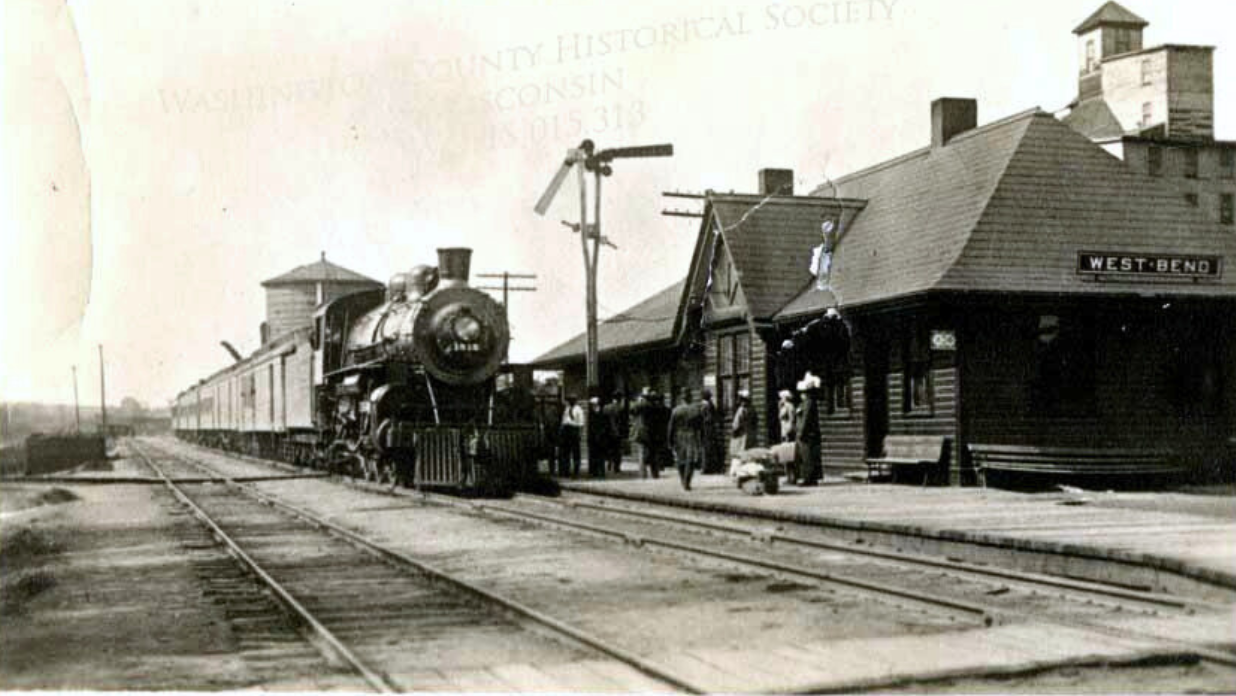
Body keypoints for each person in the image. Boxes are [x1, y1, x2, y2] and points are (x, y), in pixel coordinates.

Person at [668, 389, 702, 491]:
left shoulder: (676, 410)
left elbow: (671, 427)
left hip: (679, 436)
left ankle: (683, 479)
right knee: (690, 460)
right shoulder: (695, 410)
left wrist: (669, 440)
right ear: (690, 397)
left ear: (681, 398)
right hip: (692, 436)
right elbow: (700, 426)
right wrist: (701, 439)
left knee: (680, 460)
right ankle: (687, 481)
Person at [635, 389, 670, 479]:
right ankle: (655, 474)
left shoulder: (643, 406)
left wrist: (641, 398)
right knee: (653, 455)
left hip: (643, 434)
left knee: (642, 455)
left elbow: (634, 409)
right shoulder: (658, 408)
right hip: (654, 434)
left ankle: (643, 474)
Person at [795, 373, 822, 486]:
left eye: (803, 392)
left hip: (807, 434)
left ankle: (808, 478)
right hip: (809, 433)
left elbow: (805, 419)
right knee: (808, 455)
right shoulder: (808, 403)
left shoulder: (808, 403)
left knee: (807, 456)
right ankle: (811, 477)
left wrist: (801, 432)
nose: (802, 394)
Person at [559, 394, 584, 477]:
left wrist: (579, 434)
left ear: (575, 401)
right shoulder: (567, 409)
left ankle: (576, 472)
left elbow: (581, 423)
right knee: (566, 452)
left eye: (572, 400)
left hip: (574, 429)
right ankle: (566, 471)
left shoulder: (579, 410)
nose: (571, 401)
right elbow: (564, 420)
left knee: (576, 453)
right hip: (567, 430)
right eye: (570, 400)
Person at [602, 391, 626, 474]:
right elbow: (622, 422)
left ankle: (609, 463)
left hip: (608, 432)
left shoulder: (606, 407)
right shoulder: (620, 408)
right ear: (619, 399)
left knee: (609, 449)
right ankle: (616, 467)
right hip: (617, 432)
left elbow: (604, 421)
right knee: (617, 450)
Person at [586, 396, 609, 478]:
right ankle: (594, 472)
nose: (592, 406)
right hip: (593, 438)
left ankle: (601, 472)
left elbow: (606, 426)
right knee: (593, 455)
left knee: (601, 456)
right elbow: (590, 427)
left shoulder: (603, 413)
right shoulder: (591, 414)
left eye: (593, 404)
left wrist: (602, 434)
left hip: (601, 438)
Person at [729, 390, 755, 461]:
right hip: (750, 433)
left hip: (741, 434)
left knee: (740, 452)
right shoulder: (752, 409)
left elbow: (736, 423)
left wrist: (734, 430)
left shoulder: (741, 410)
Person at [699, 388, 720, 473]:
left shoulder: (704, 405)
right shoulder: (709, 405)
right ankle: (709, 467)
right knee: (709, 448)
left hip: (706, 428)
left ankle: (706, 468)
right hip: (709, 428)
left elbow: (706, 417)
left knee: (706, 448)